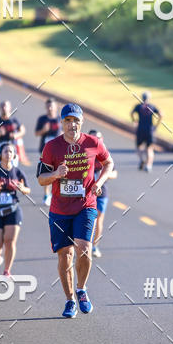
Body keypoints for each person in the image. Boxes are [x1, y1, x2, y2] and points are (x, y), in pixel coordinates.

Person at [37, 103, 114, 318]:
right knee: (65, 255)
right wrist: (55, 174)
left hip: (85, 204)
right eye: (68, 121)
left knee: (83, 249)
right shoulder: (51, 147)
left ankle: (81, 289)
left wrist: (100, 181)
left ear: (82, 122)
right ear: (62, 123)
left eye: (76, 120)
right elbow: (41, 178)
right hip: (59, 209)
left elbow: (109, 162)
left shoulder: (93, 142)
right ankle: (70, 299)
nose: (72, 124)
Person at [0, 142, 30, 277]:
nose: (8, 154)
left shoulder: (17, 171)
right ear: (1, 154)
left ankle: (7, 270)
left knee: (9, 241)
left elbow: (27, 189)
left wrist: (22, 188)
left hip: (12, 210)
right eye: (6, 151)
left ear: (14, 155)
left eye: (11, 152)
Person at [89, 130, 117, 258]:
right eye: (93, 138)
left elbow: (114, 173)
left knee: (99, 220)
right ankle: (84, 245)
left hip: (101, 192)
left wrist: (103, 176)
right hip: (86, 192)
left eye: (98, 138)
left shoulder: (104, 154)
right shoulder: (84, 153)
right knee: (87, 219)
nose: (96, 141)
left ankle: (94, 246)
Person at [35, 98, 61, 205]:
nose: (50, 108)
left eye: (52, 106)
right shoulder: (42, 119)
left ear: (56, 107)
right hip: (45, 151)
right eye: (48, 106)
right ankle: (46, 194)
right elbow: (36, 133)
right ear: (46, 107)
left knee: (58, 172)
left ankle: (56, 194)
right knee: (46, 172)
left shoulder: (60, 119)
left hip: (59, 151)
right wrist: (43, 130)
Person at [131, 91, 161, 171]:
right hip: (149, 130)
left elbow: (132, 113)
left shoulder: (138, 106)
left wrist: (134, 121)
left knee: (138, 147)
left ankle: (142, 160)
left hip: (140, 129)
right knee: (149, 148)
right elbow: (161, 115)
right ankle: (149, 165)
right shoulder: (152, 106)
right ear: (149, 98)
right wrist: (156, 125)